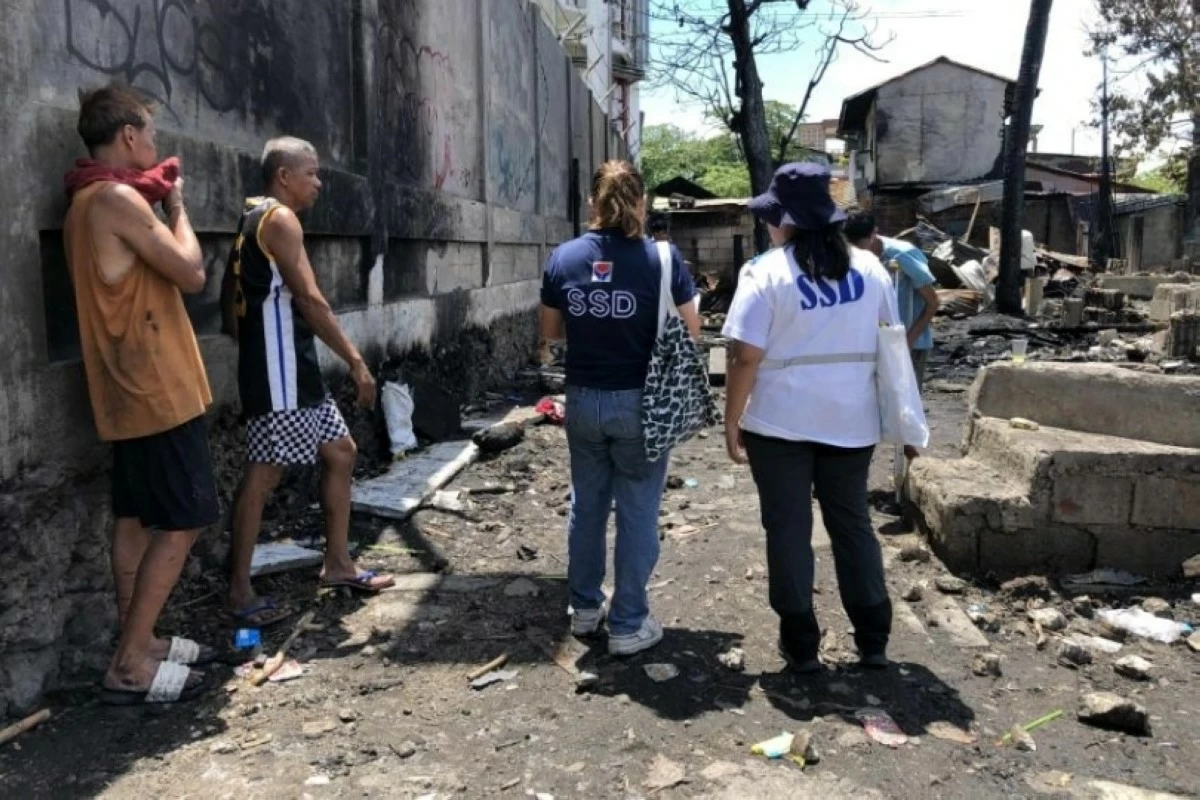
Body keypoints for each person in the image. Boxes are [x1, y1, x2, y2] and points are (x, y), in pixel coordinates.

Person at [63, 84, 218, 704]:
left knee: (132, 516)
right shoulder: (120, 198)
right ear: (128, 134)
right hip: (157, 389)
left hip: (125, 387)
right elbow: (191, 272)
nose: (156, 147)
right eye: (150, 134)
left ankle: (141, 638)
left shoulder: (84, 199)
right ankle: (131, 663)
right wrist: (176, 204)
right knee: (184, 520)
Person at [723, 163, 899, 672]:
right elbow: (890, 346)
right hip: (852, 423)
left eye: (771, 217)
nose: (768, 226)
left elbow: (743, 357)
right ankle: (873, 638)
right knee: (852, 526)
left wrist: (731, 421)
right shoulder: (870, 271)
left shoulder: (765, 273)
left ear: (786, 219)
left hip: (779, 426)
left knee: (788, 530)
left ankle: (800, 645)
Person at [224, 137, 393, 626]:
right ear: (283, 176)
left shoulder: (253, 215)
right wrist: (356, 361)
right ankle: (238, 590)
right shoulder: (278, 219)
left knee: (341, 451)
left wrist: (244, 336)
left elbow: (231, 290)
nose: (318, 182)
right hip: (278, 372)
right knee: (264, 473)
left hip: (290, 366)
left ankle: (338, 564)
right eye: (311, 173)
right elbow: (311, 300)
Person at [540, 161, 700, 656]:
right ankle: (629, 623)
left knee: (587, 504)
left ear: (592, 203)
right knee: (637, 510)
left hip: (583, 399)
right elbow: (691, 334)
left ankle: (585, 610)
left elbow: (550, 335)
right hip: (642, 404)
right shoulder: (665, 260)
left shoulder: (563, 258)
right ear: (641, 202)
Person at [844, 210, 940, 457]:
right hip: (872, 343)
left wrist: (909, 339)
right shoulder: (848, 256)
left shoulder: (901, 255)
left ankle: (914, 463)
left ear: (874, 234)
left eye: (862, 245)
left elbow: (933, 302)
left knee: (905, 405)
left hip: (909, 341)